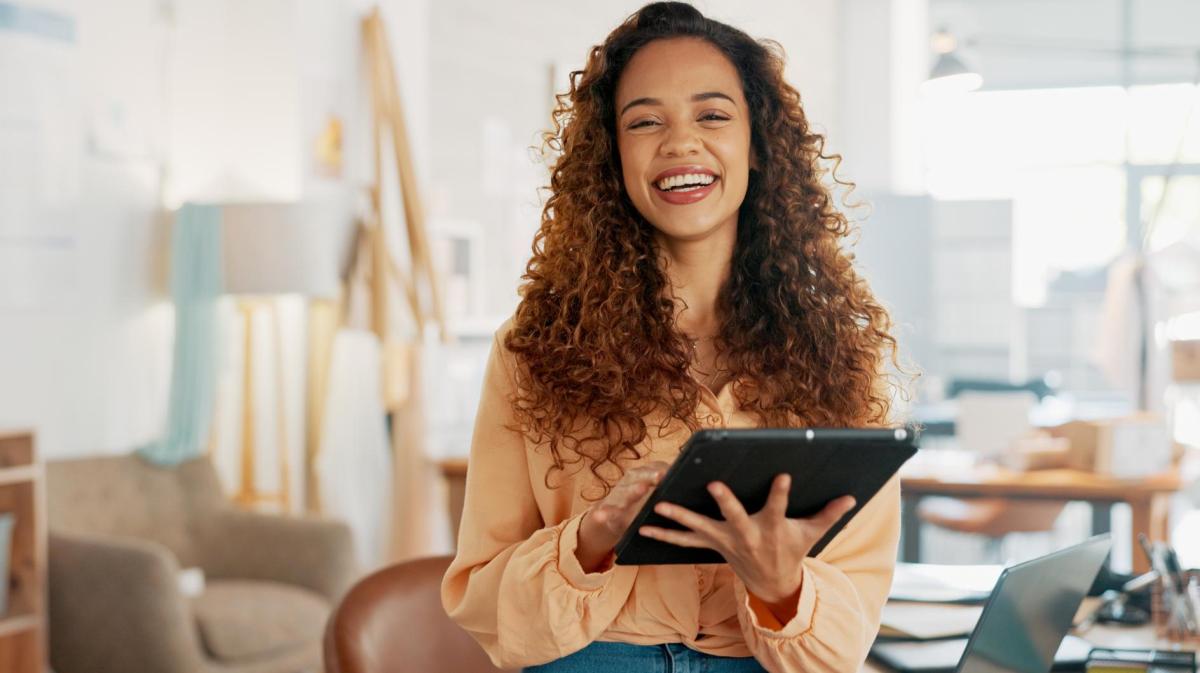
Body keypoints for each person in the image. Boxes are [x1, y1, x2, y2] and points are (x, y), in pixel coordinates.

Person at [441, 3, 906, 672]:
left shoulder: (843, 355)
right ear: (613, 155)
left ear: (757, 144)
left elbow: (843, 644)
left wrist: (781, 586)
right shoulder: (532, 348)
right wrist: (591, 541)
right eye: (644, 121)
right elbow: (483, 603)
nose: (680, 143)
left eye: (712, 115)